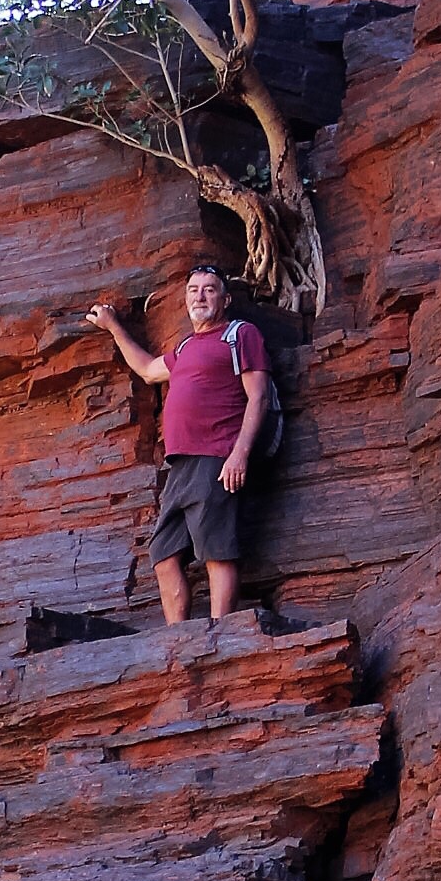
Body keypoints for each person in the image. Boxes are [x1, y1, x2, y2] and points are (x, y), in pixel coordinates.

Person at [87, 261, 269, 621]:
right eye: (193, 290)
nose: (200, 296)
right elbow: (149, 370)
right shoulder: (186, 346)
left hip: (216, 455)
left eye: (209, 289)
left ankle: (221, 631)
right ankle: (179, 637)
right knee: (164, 553)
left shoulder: (239, 334)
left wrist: (239, 454)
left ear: (226, 298)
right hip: (180, 463)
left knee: (216, 549)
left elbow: (259, 396)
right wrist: (114, 328)